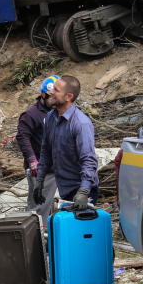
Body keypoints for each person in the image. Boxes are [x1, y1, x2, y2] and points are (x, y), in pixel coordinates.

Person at [34, 75, 99, 212]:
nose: (51, 92)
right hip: (64, 187)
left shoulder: (81, 124)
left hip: (81, 189)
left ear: (69, 96)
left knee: (81, 232)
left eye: (57, 90)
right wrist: (40, 179)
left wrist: (84, 192)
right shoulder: (50, 118)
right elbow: (46, 150)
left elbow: (89, 160)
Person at [16, 75, 59, 226]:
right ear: (43, 95)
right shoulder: (31, 114)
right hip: (40, 170)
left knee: (48, 207)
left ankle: (45, 237)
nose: (56, 102)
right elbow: (22, 137)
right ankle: (34, 241)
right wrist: (32, 159)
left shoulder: (56, 112)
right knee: (38, 208)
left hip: (55, 167)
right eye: (52, 98)